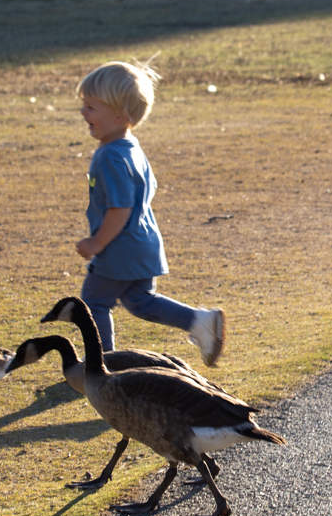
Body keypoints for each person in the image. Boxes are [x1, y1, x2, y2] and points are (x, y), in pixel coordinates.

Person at [72, 60, 225, 366]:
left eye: (92, 107)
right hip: (144, 244)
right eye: (84, 105)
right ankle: (199, 321)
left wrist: (96, 244)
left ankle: (101, 365)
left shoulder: (110, 158)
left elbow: (120, 208)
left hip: (119, 248)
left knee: (94, 303)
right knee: (140, 301)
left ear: (120, 115)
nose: (83, 113)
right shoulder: (130, 147)